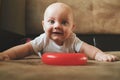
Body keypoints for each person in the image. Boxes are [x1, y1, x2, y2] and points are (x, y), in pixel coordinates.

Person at [0, 2, 119, 62]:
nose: (57, 26)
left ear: (72, 28)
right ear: (43, 25)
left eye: (64, 22)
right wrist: (7, 55)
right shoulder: (43, 39)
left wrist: (100, 55)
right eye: (51, 22)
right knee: (30, 45)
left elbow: (89, 49)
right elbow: (24, 49)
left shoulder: (72, 39)